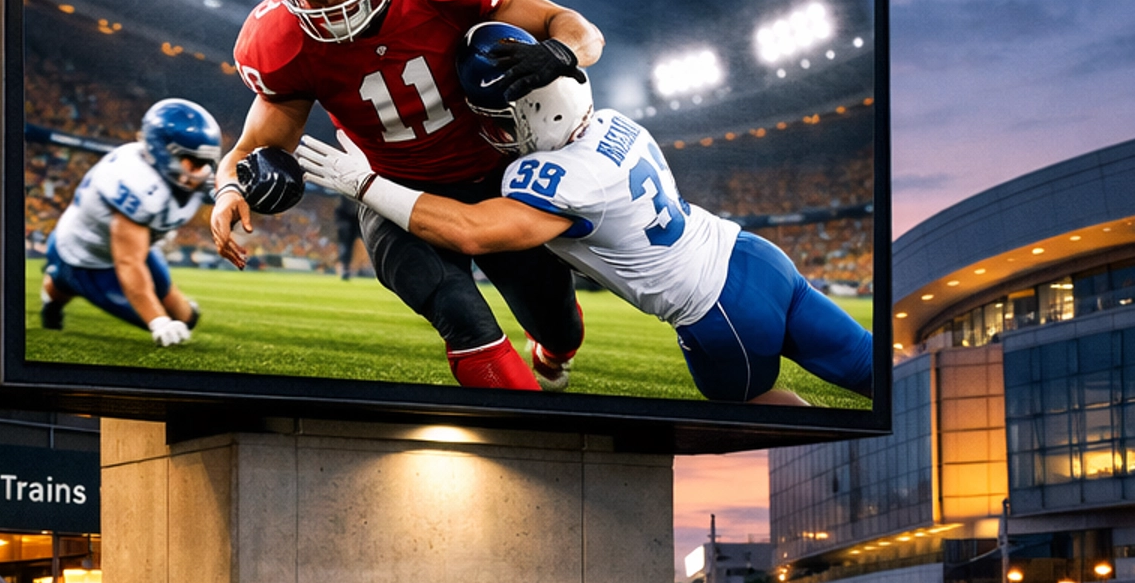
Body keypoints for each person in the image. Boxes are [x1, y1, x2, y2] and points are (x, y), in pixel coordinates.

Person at [299, 22, 873, 407]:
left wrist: (366, 183)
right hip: (756, 258)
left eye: (498, 120)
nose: (492, 133)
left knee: (764, 411)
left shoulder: (553, 177)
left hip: (717, 313)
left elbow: (468, 233)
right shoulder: (615, 122)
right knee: (873, 371)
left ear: (533, 113)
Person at [214, 0, 600, 390]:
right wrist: (228, 189)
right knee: (463, 319)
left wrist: (558, 52)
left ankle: (551, 350)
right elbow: (250, 150)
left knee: (558, 323)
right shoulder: (280, 42)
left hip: (495, 180)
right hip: (393, 194)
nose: (327, 4)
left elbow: (566, 24)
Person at [41, 99, 219, 344]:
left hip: (136, 245)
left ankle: (60, 279)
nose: (201, 172)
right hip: (90, 258)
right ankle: (58, 284)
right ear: (162, 151)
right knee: (164, 318)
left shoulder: (164, 168)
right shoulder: (136, 181)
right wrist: (158, 321)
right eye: (194, 161)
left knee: (187, 318)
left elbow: (220, 187)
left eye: (206, 162)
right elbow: (128, 263)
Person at [333, 193, 362, 279]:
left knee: (346, 245)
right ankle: (345, 268)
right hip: (350, 219)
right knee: (345, 245)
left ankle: (346, 268)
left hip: (356, 218)